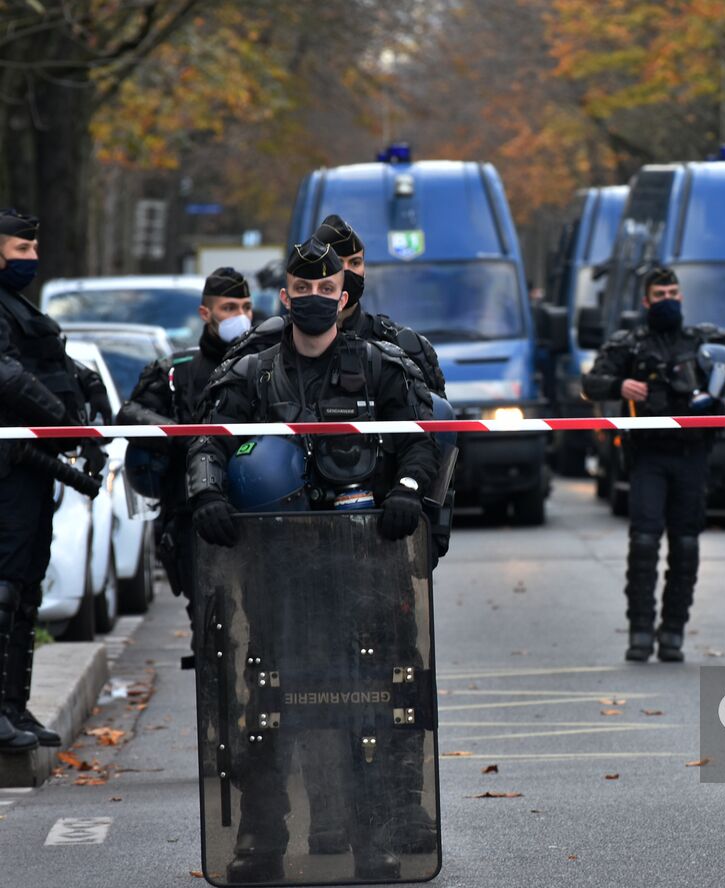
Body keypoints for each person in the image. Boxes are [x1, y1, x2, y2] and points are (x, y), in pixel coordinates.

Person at [188, 237, 440, 881]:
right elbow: (206, 442)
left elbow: (422, 440)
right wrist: (208, 493)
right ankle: (259, 842)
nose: (315, 301)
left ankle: (373, 839)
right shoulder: (251, 372)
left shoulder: (383, 367)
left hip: (363, 570)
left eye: (327, 291)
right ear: (286, 297)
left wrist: (409, 493)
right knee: (265, 703)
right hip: (277, 571)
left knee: (371, 705)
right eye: (303, 292)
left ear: (344, 295)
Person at [582, 266, 725, 662]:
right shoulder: (630, 344)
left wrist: (722, 391)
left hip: (692, 456)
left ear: (681, 296)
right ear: (646, 300)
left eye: (673, 292)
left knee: (685, 545)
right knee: (644, 542)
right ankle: (639, 631)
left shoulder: (701, 338)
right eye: (660, 293)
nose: (668, 299)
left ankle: (673, 632)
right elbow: (591, 382)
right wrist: (620, 386)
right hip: (647, 457)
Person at [0, 208, 111, 754]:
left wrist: (89, 391)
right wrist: (64, 423)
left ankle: (13, 706)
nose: (32, 259)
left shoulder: (18, 307)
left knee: (25, 589)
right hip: (9, 466)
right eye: (22, 250)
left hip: (32, 467)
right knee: (3, 585)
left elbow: (53, 361)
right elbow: (8, 376)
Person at [118, 268, 253, 669]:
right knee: (211, 627)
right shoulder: (175, 370)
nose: (240, 316)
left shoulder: (263, 363)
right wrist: (179, 433)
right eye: (229, 308)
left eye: (246, 307)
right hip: (191, 515)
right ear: (205, 313)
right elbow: (128, 415)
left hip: (255, 508)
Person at [213, 214, 445, 396]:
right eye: (337, 262)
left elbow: (428, 434)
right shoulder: (261, 348)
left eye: (355, 262)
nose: (347, 272)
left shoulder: (401, 346)